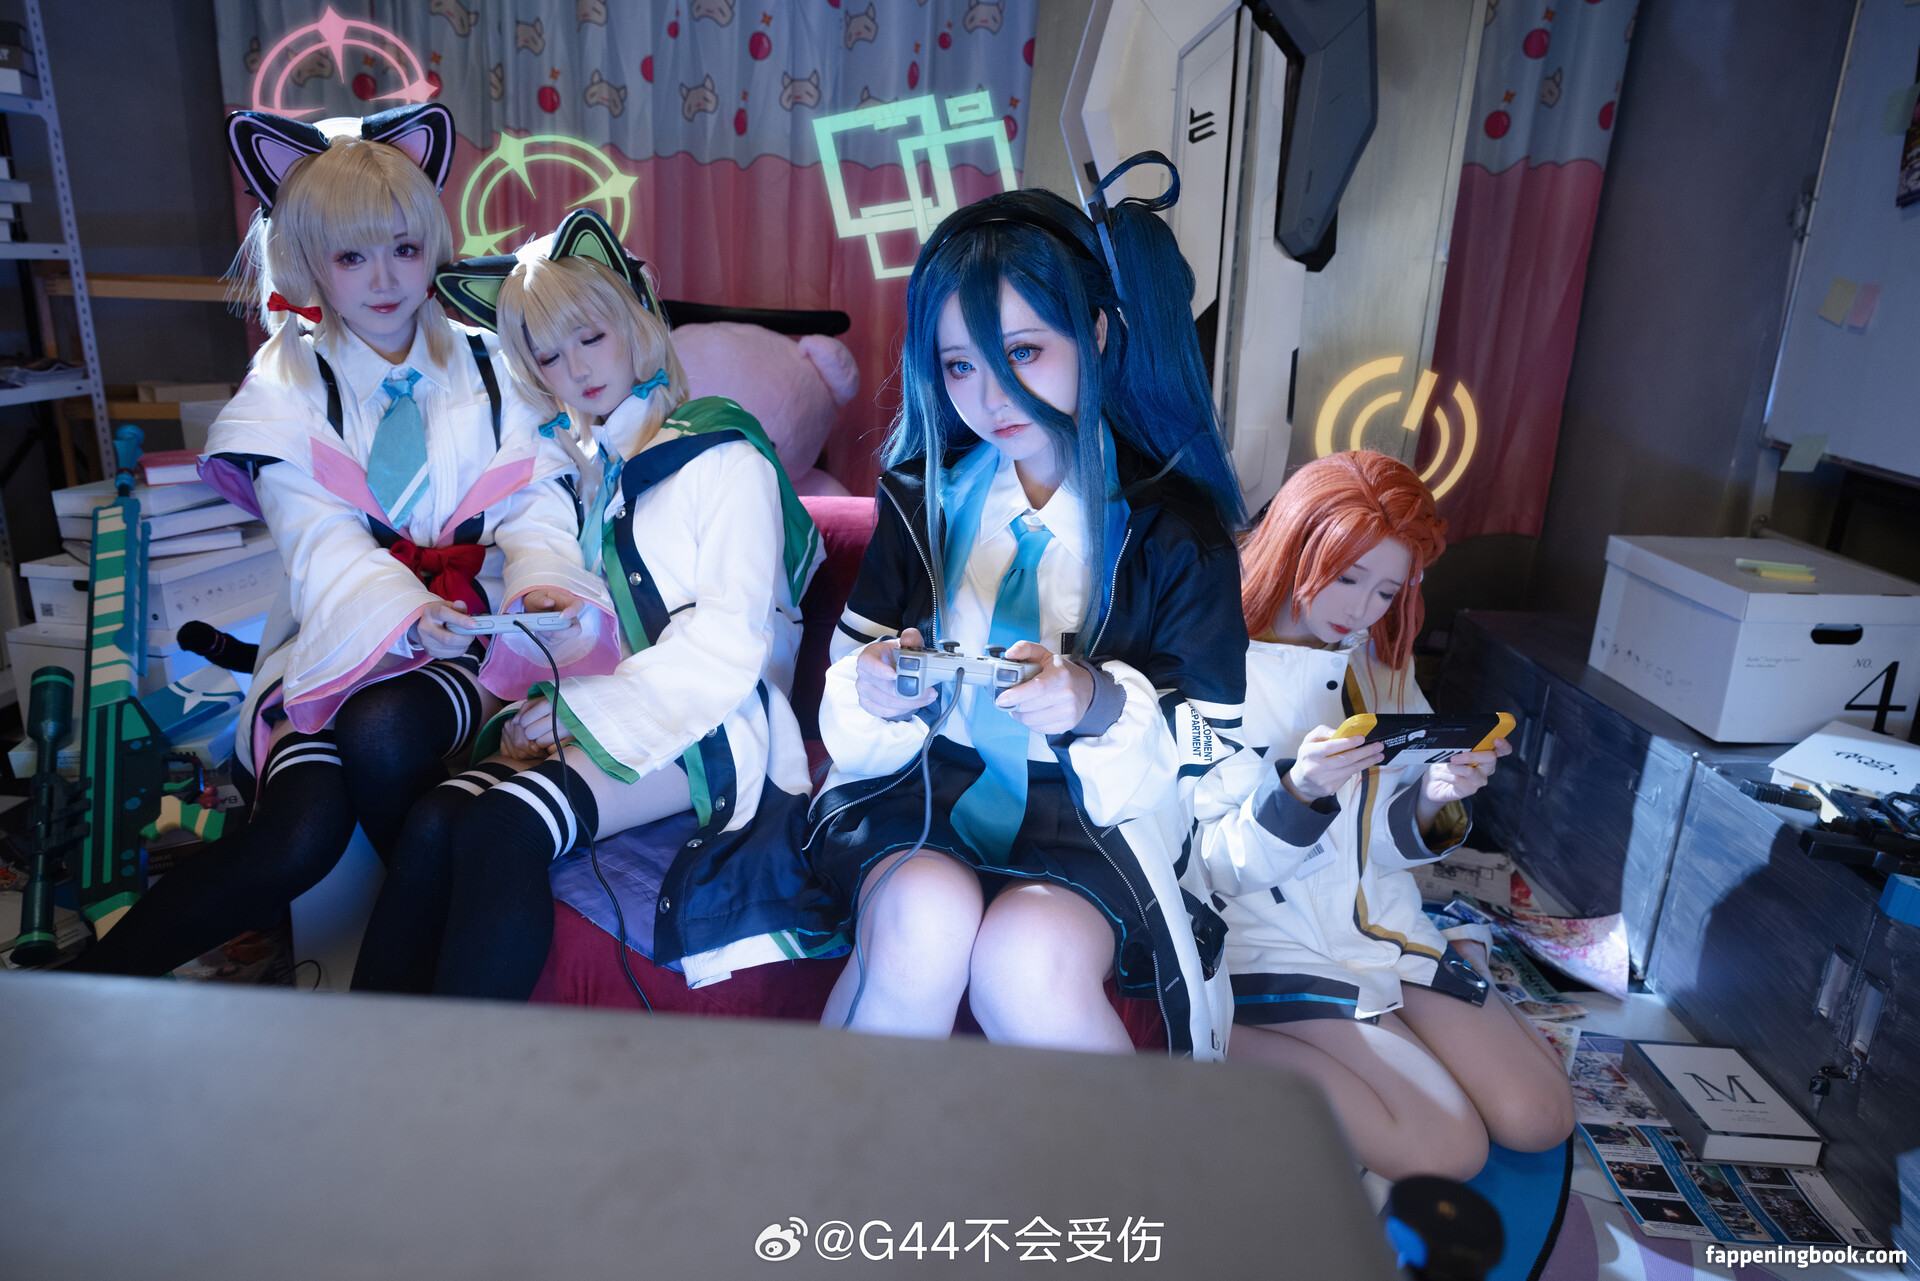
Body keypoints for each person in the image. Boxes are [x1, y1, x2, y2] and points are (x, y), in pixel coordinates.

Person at [78, 105, 609, 977]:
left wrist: (542, 579)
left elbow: (534, 501)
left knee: (383, 728)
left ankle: (419, 964)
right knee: (299, 834)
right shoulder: (282, 384)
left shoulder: (494, 362)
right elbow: (318, 542)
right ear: (307, 259)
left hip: (476, 631)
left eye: (405, 248)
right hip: (340, 629)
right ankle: (79, 991)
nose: (385, 279)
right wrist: (404, 612)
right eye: (351, 257)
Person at [807, 160, 1248, 1058]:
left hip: (1095, 820)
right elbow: (847, 686)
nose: (991, 396)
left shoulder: (1178, 535)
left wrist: (1099, 704)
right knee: (923, 919)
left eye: (1024, 352)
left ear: (1097, 331)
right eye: (960, 364)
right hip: (927, 787)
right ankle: (833, 1145)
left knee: (1026, 962)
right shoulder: (921, 499)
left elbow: (1217, 761)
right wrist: (877, 691)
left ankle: (1148, 1155)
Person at [352, 209, 837, 999]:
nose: (574, 369)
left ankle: (461, 1065)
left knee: (502, 822)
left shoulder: (725, 452)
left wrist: (579, 713)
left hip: (715, 715)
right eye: (547, 354)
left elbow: (732, 638)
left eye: (590, 337)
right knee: (434, 821)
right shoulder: (592, 472)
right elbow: (600, 630)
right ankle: (365, 1048)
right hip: (621, 706)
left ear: (633, 323)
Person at [1192, 450, 1574, 1179]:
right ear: (1297, 542)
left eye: (1387, 590)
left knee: (1539, 1116)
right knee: (1446, 1150)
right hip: (1268, 945)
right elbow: (1209, 867)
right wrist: (1300, 790)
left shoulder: (1377, 663)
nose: (1363, 610)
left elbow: (1379, 843)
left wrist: (1434, 796)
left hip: (1383, 926)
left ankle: (1430, 990)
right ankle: (1209, 1037)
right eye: (1348, 578)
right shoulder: (1208, 663)